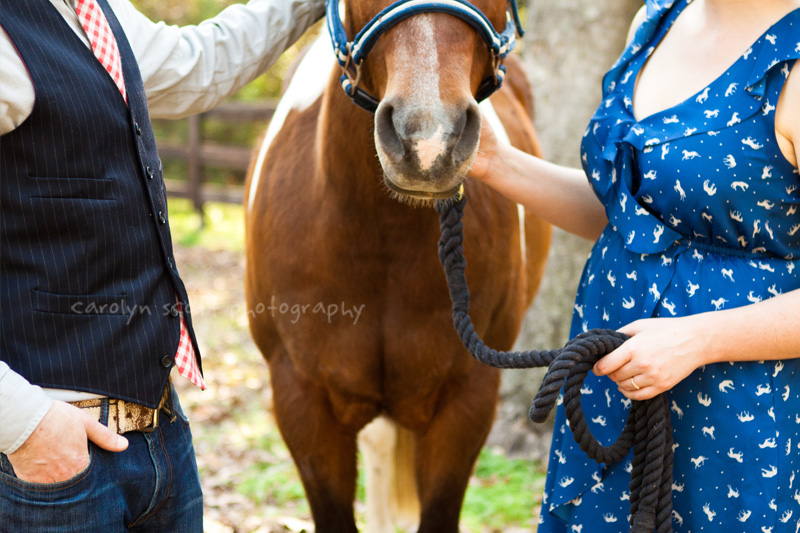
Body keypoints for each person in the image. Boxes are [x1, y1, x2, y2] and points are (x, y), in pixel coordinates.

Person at [467, 0, 800, 530]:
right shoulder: (657, 19)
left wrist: (699, 340)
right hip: (612, 392)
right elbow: (634, 216)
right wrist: (497, 164)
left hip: (738, 419)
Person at [0, 0, 323, 530]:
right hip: (50, 463)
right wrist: (24, 425)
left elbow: (199, 61)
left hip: (160, 435)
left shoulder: (91, 10)